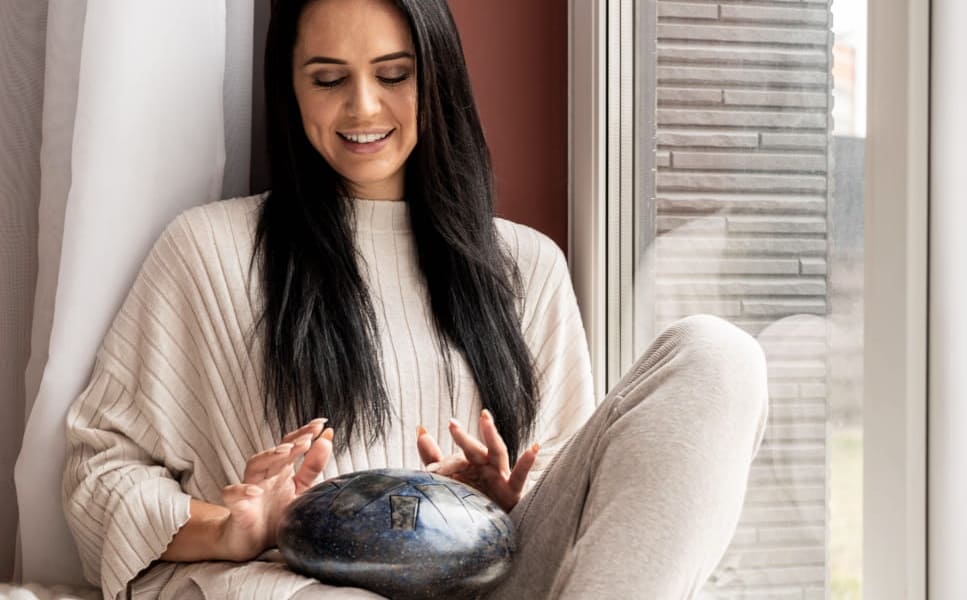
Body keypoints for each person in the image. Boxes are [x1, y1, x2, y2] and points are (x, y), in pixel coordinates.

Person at [61, 0, 769, 598]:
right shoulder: (211, 251)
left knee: (718, 356)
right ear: (291, 90)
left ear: (436, 76)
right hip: (301, 584)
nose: (362, 107)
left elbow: (582, 498)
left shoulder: (526, 266)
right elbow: (99, 473)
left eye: (393, 75)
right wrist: (237, 526)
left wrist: (502, 507)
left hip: (495, 579)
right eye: (328, 78)